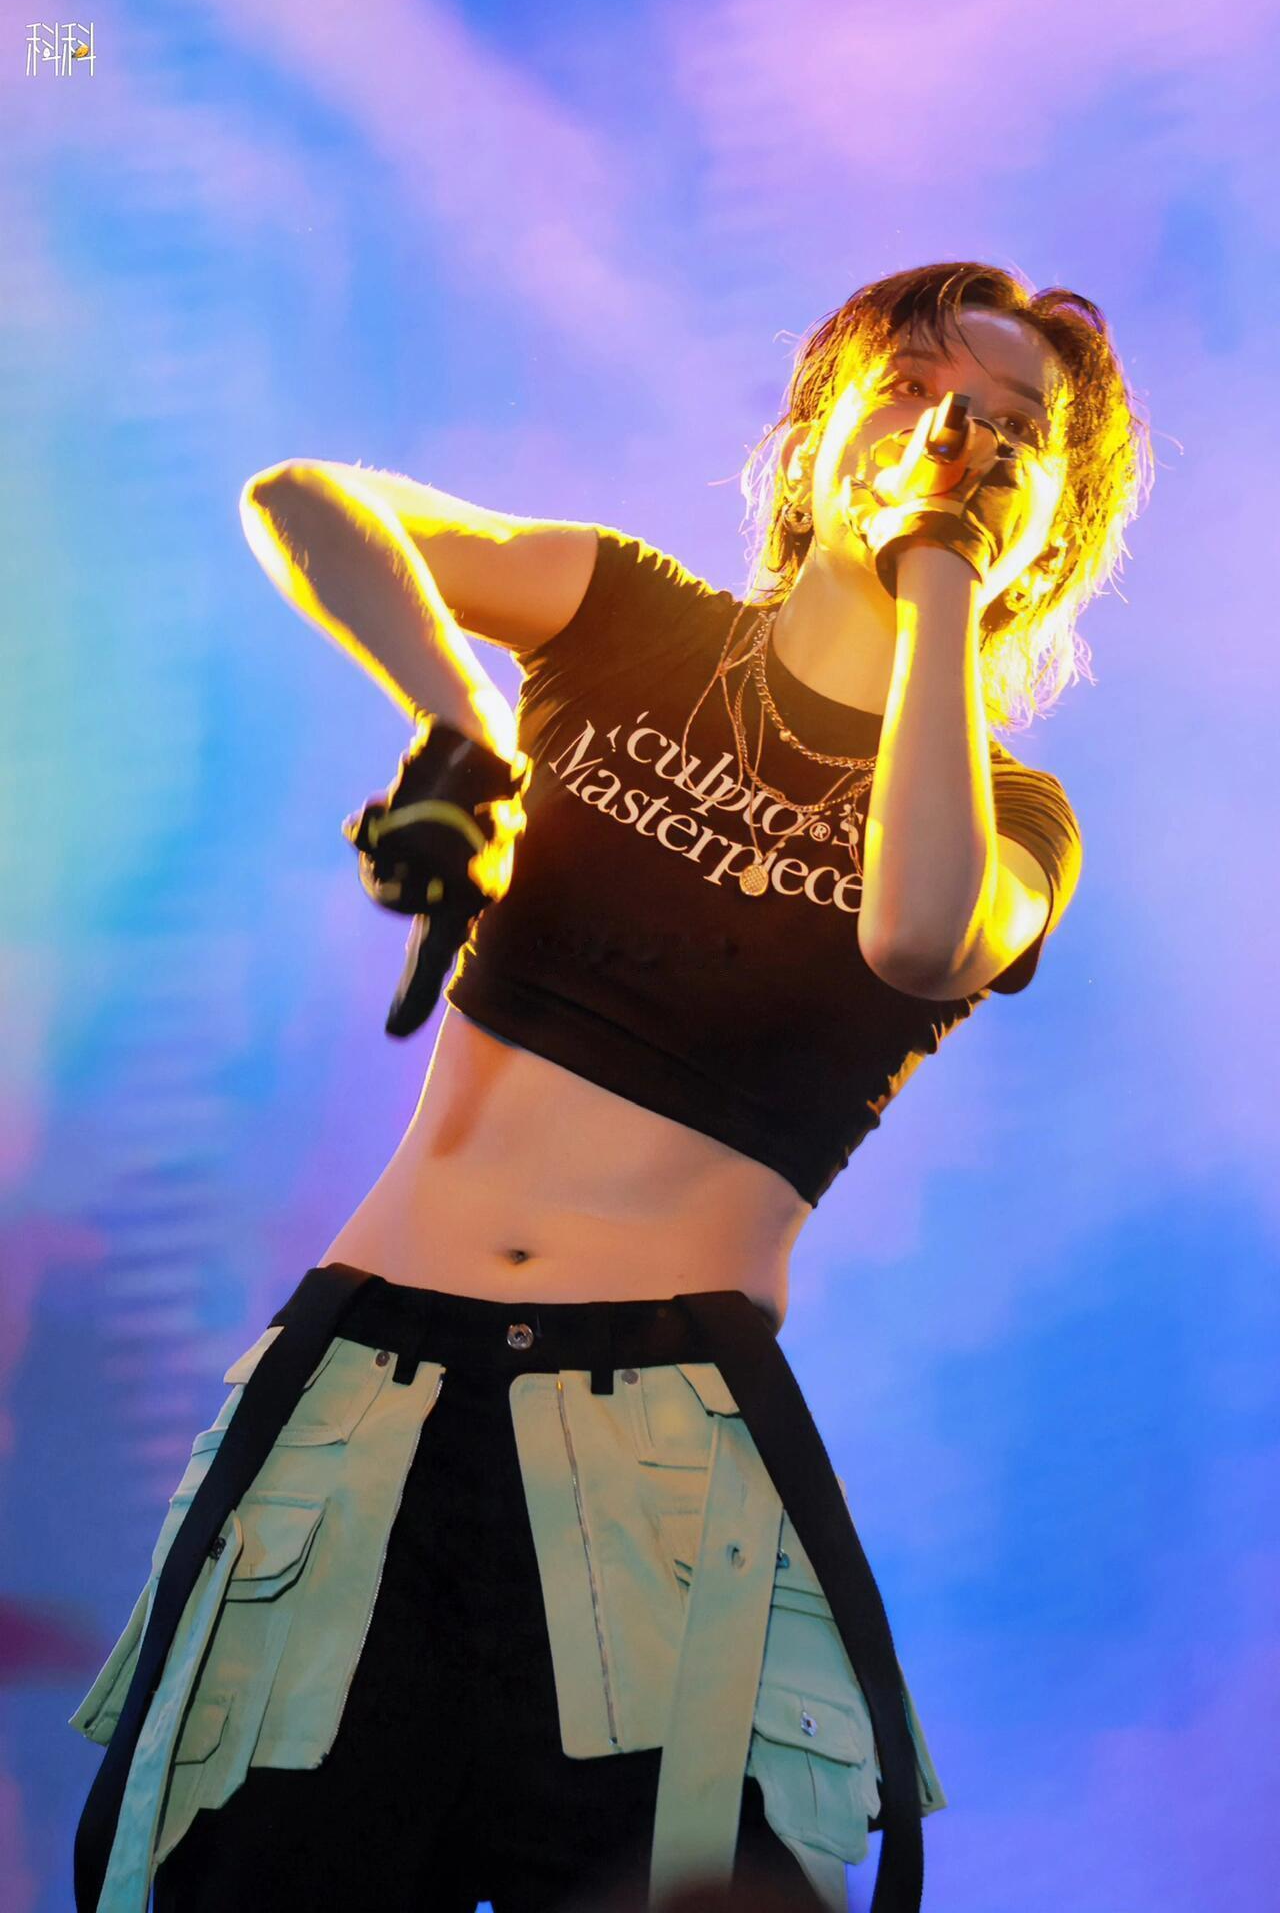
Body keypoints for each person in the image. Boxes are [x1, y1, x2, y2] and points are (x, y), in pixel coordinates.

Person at [68, 261, 1152, 1913]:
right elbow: (307, 503)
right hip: (363, 1415)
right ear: (817, 433)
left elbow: (922, 934)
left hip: (662, 1477)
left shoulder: (1019, 815)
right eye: (917, 391)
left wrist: (940, 577)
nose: (959, 437)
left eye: (1012, 430)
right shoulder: (626, 612)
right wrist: (466, 724)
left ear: (1053, 527)